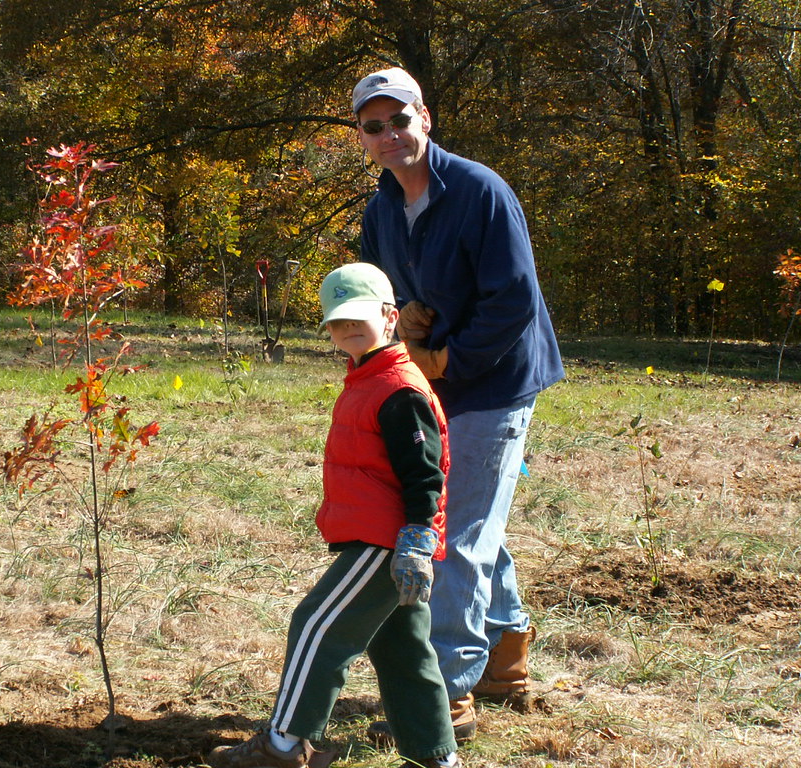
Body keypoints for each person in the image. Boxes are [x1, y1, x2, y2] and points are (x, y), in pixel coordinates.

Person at [351, 67, 565, 742]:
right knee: (471, 518)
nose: (389, 136)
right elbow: (375, 288)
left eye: (399, 120)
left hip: (495, 382)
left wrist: (447, 359)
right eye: (373, 126)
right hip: (432, 389)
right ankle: (506, 659)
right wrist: (397, 325)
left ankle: (445, 695)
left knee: (454, 539)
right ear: (363, 135)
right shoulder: (382, 209)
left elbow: (513, 301)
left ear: (425, 118)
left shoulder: (480, 192)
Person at [207, 263, 458, 768]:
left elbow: (424, 473)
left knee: (317, 626)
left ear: (390, 318)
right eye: (337, 323)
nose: (347, 330)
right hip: (375, 536)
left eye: (358, 320)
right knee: (403, 650)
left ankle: (282, 747)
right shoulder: (367, 376)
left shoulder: (399, 389)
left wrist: (415, 538)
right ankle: (437, 757)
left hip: (386, 541)